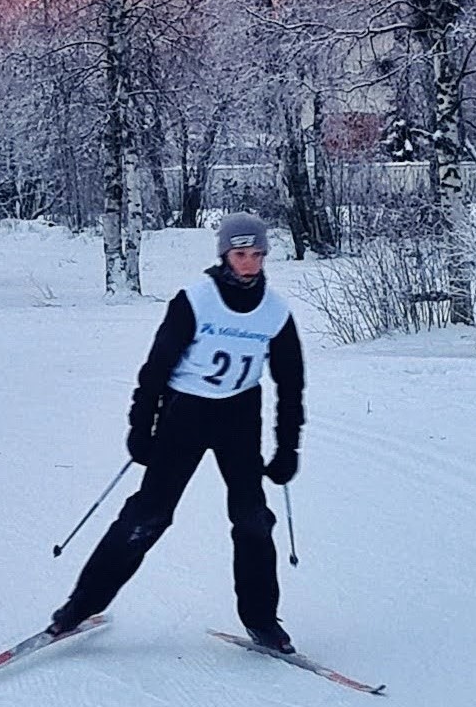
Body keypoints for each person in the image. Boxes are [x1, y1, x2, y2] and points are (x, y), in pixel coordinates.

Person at [47, 211, 304, 653]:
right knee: (149, 515)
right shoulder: (195, 300)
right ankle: (80, 606)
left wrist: (286, 447)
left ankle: (262, 621)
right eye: (242, 254)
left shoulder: (275, 312)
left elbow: (291, 382)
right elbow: (155, 370)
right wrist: (140, 426)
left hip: (240, 416)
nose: (251, 264)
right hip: (185, 414)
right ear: (225, 255)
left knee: (252, 521)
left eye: (258, 255)